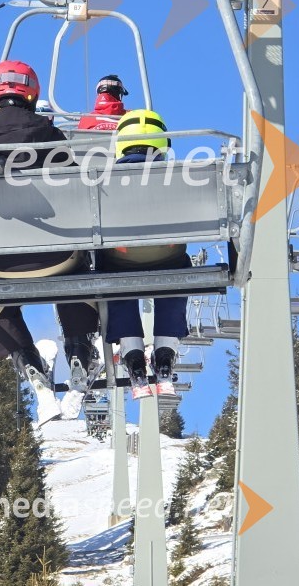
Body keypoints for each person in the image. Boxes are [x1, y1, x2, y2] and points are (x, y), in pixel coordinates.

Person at [0, 60, 100, 424]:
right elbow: (73, 192)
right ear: (31, 93)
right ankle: (80, 348)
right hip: (57, 254)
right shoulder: (50, 136)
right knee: (77, 278)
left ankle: (28, 363)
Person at [101, 109, 191, 398]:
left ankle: (133, 355)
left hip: (120, 259)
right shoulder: (181, 178)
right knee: (176, 273)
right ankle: (164, 353)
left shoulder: (105, 180)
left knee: (115, 279)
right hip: (168, 257)